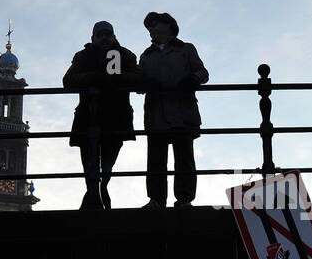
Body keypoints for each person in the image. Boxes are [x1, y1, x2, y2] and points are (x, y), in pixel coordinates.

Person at [62, 21, 143, 209]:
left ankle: (99, 190)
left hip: (115, 117)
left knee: (107, 162)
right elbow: (68, 81)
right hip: (89, 116)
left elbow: (140, 79)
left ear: (114, 36)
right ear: (93, 38)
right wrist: (95, 77)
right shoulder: (83, 56)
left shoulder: (125, 55)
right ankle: (94, 193)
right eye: (101, 35)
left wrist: (114, 78)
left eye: (108, 34)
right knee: (89, 161)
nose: (105, 38)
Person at [138, 11, 209, 208]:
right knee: (155, 161)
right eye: (149, 26)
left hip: (182, 113)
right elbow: (137, 83)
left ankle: (185, 200)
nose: (151, 29)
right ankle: (156, 199)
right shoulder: (146, 56)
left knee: (184, 159)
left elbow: (203, 72)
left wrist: (194, 79)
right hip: (156, 113)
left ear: (168, 26)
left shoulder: (186, 49)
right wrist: (143, 83)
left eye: (155, 24)